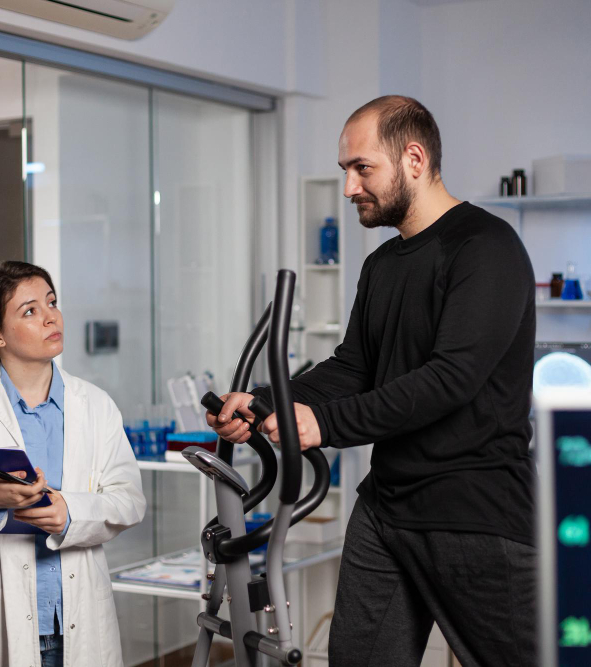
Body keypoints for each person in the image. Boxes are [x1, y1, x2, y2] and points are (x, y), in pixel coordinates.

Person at [209, 96, 537, 666]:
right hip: (387, 510)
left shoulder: (486, 248)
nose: (350, 187)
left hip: (474, 512)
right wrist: (264, 404)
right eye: (345, 171)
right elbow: (353, 367)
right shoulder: (382, 265)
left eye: (363, 169)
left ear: (414, 158)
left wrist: (324, 424)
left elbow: (450, 379)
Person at [0, 260, 146, 667]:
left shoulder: (95, 406)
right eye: (30, 311)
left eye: (51, 302)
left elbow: (129, 500)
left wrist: (71, 512)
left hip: (78, 621)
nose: (51, 316)